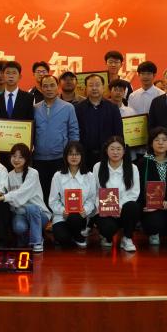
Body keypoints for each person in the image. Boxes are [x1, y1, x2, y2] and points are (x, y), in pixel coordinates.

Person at [0, 143, 47, 252]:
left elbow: (22, 193)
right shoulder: (9, 175)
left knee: (31, 208)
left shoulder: (33, 173)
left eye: (20, 157)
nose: (16, 160)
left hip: (39, 214)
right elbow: (3, 190)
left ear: (26, 159)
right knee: (19, 228)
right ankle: (26, 238)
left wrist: (4, 197)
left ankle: (37, 242)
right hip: (20, 213)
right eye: (14, 156)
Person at [33, 74, 79, 206]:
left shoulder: (68, 107)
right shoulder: (35, 108)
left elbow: (74, 131)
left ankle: (59, 215)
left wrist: (72, 153)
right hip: (39, 158)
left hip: (60, 157)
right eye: (45, 86)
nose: (49, 89)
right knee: (42, 191)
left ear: (58, 86)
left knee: (60, 191)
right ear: (41, 88)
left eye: (52, 85)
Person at [92, 136, 141, 252]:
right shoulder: (98, 167)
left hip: (123, 210)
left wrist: (118, 206)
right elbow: (94, 191)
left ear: (124, 151)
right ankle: (106, 236)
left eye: (119, 149)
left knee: (133, 206)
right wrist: (102, 208)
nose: (115, 152)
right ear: (106, 150)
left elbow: (134, 192)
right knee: (108, 229)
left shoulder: (132, 168)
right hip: (105, 210)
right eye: (112, 149)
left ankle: (127, 238)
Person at [49, 141, 95, 248]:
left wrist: (85, 210)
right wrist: (62, 211)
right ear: (65, 156)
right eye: (71, 154)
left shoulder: (89, 176)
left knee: (75, 217)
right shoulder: (58, 176)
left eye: (77, 154)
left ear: (82, 156)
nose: (74, 157)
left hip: (81, 216)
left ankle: (78, 236)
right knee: (62, 238)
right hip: (62, 216)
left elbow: (92, 199)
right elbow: (53, 200)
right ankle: (73, 235)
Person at [75, 73, 122, 170]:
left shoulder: (113, 108)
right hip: (85, 156)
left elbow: (118, 133)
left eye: (97, 85)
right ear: (86, 89)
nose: (94, 88)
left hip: (107, 155)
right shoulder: (78, 108)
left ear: (103, 88)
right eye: (91, 85)